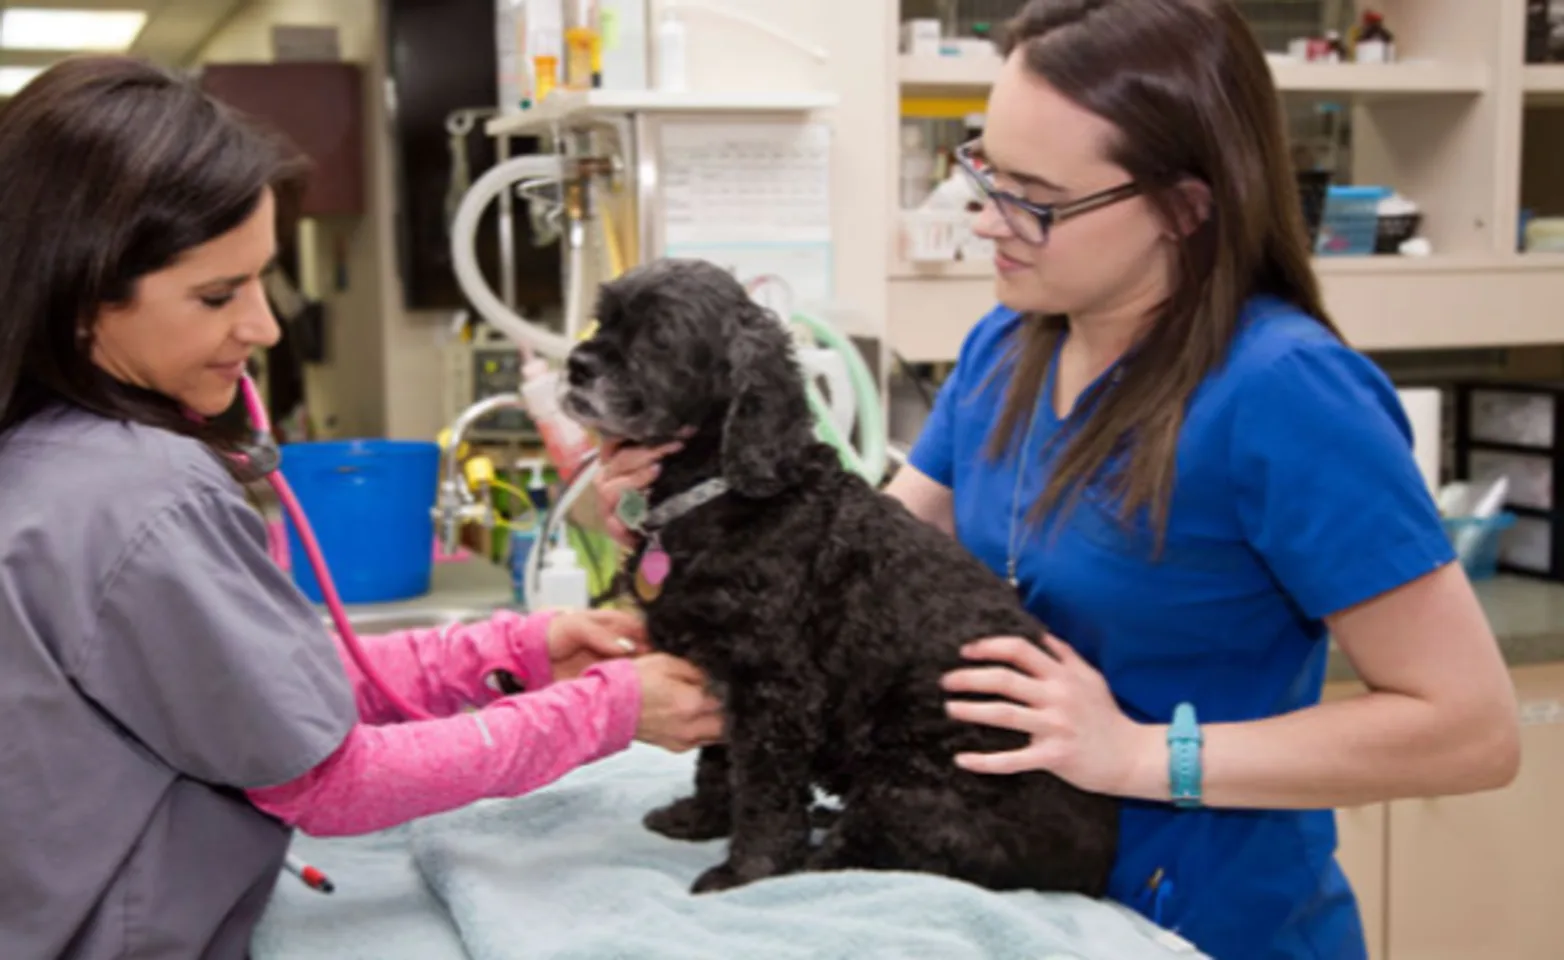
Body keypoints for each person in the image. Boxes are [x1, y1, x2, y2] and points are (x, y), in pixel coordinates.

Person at [595, 1, 1521, 957]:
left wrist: (1139, 753)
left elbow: (1470, 731)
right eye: (983, 169)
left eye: (1035, 196)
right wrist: (676, 519)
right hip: (990, 892)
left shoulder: (1286, 395)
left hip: (1193, 917)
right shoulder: (1008, 346)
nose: (985, 217)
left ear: (1183, 206)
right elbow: (849, 562)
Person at [0, 56, 722, 959]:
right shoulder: (139, 498)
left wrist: (507, 653)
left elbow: (251, 692)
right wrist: (604, 713)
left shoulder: (48, 458)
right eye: (217, 296)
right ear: (77, 300)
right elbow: (324, 783)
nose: (263, 327)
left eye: (263, 279)